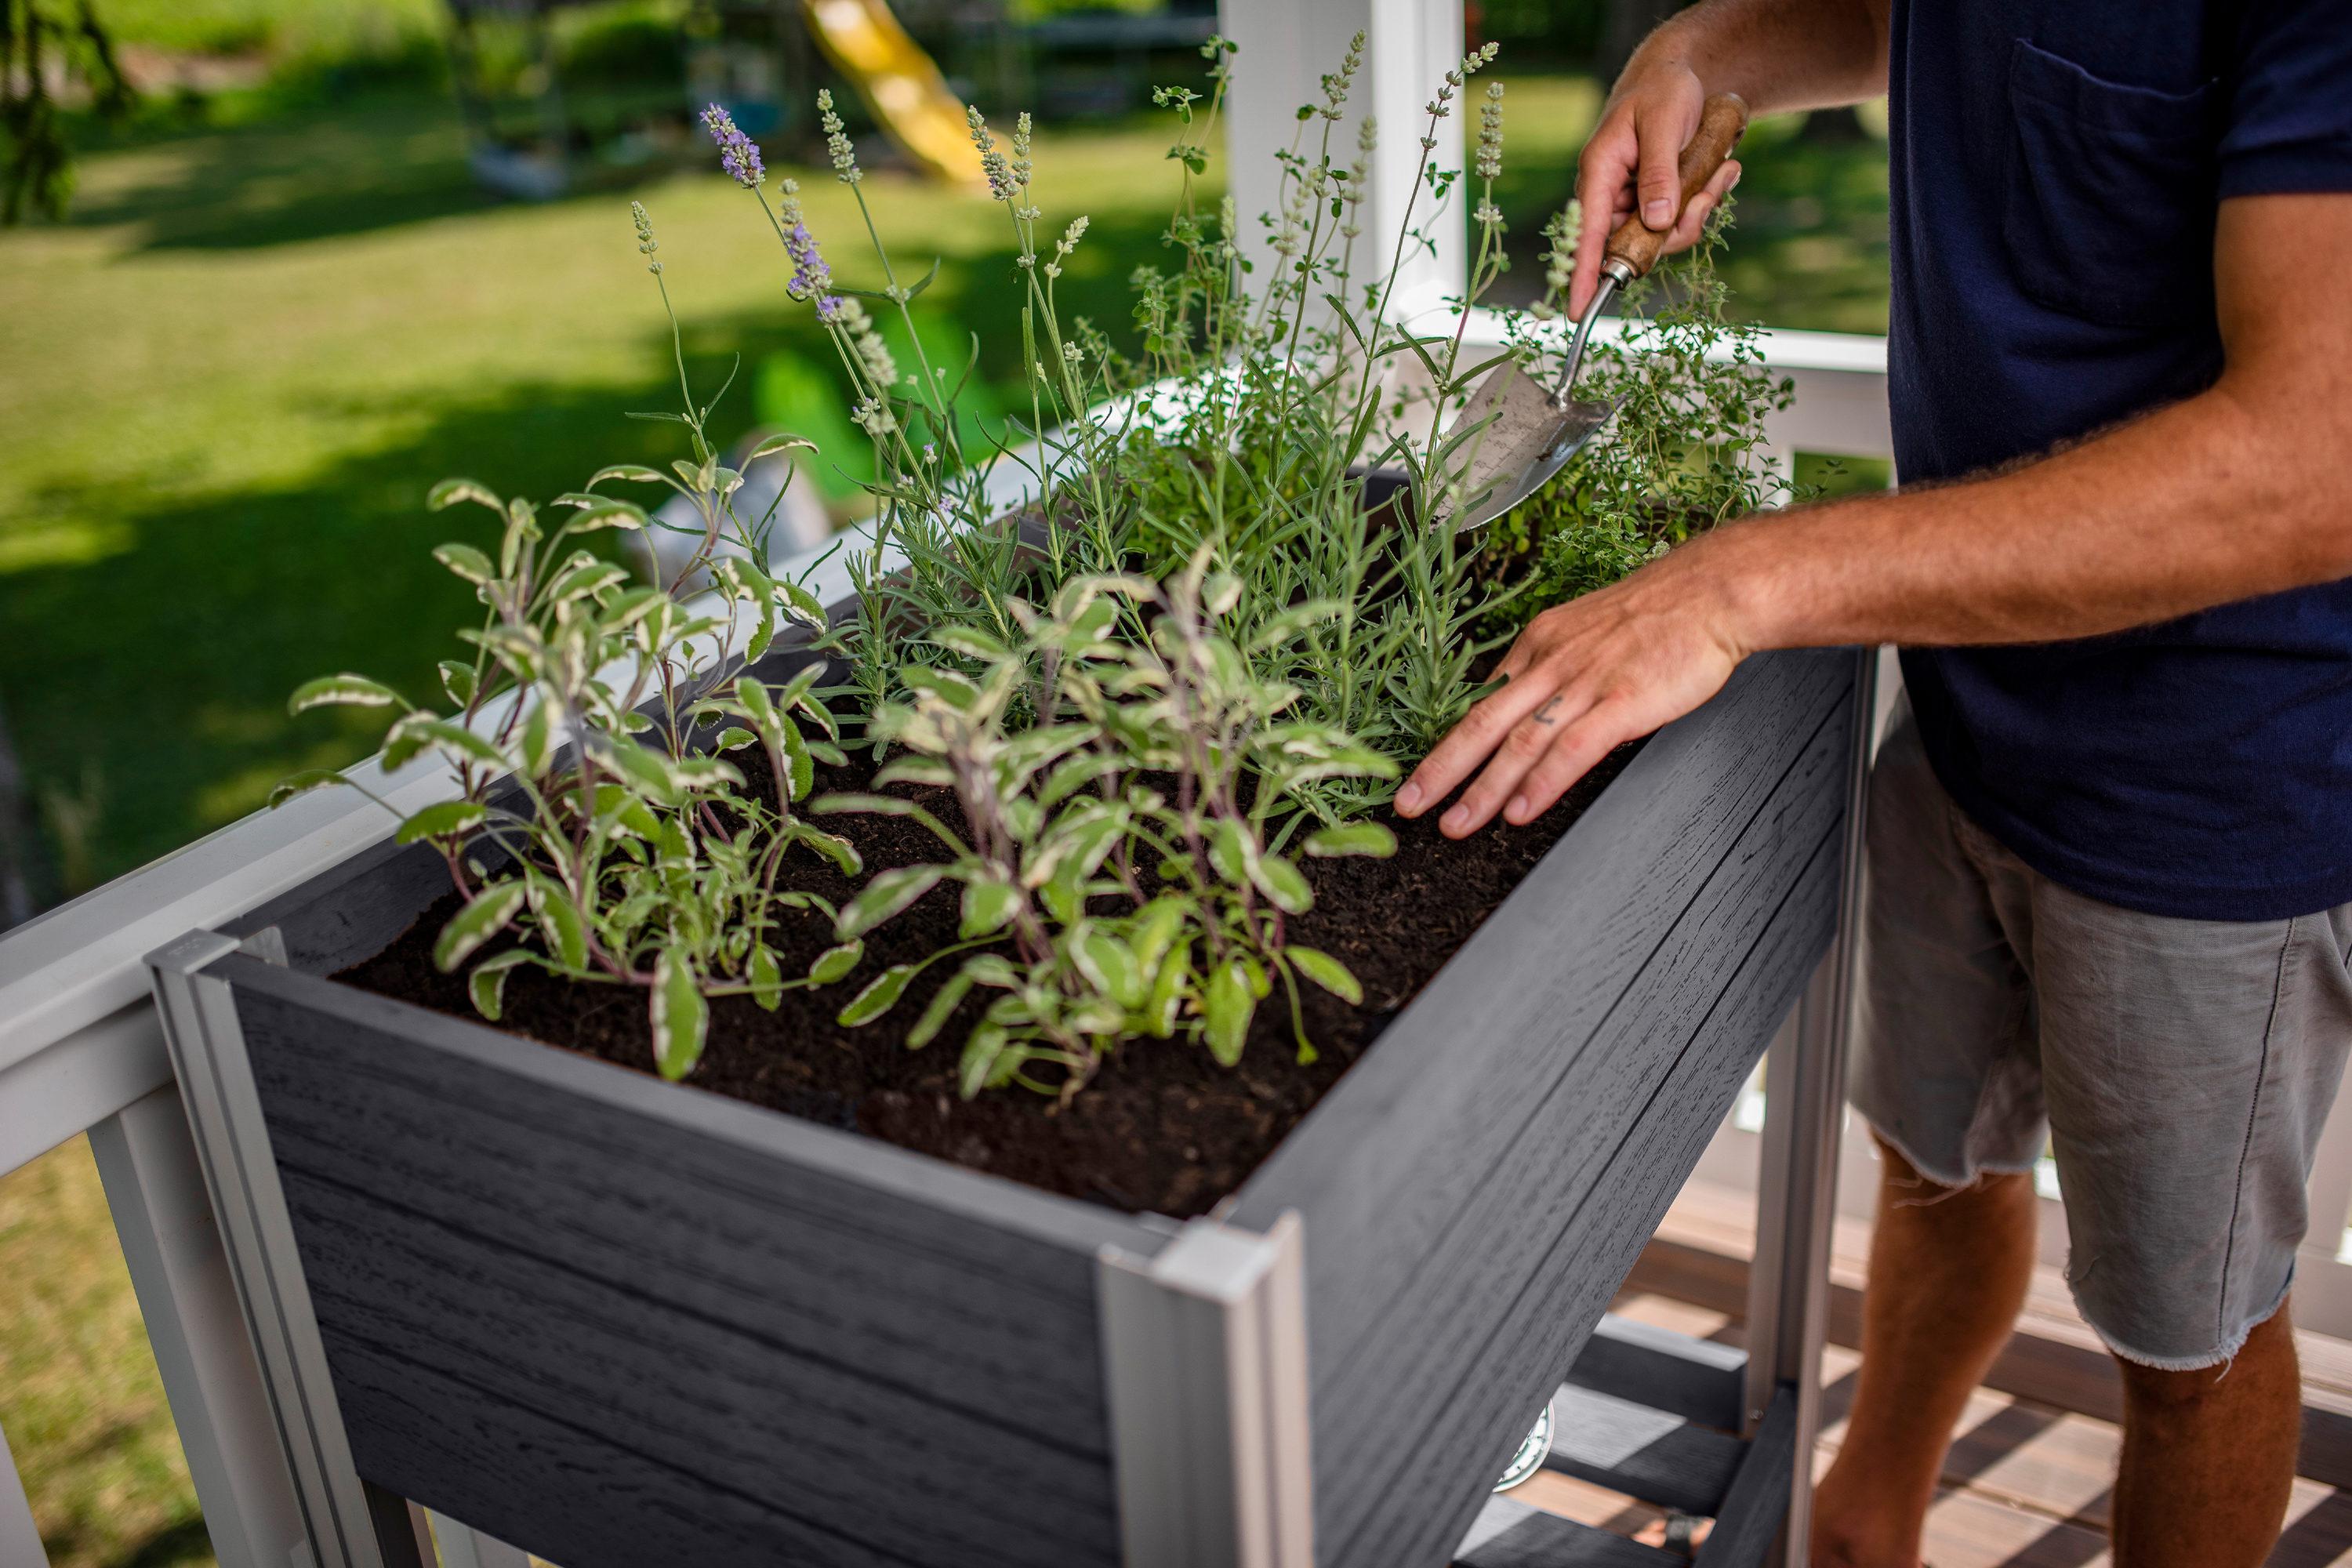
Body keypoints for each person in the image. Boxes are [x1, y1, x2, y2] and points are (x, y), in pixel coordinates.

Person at [1393, 1, 2352, 1563]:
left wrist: (1739, 585)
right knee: (1936, 1164)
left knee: (2190, 1348)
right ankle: (1865, 1521)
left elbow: (2319, 460)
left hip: (2212, 801)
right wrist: (1713, 50)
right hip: (1967, 697)